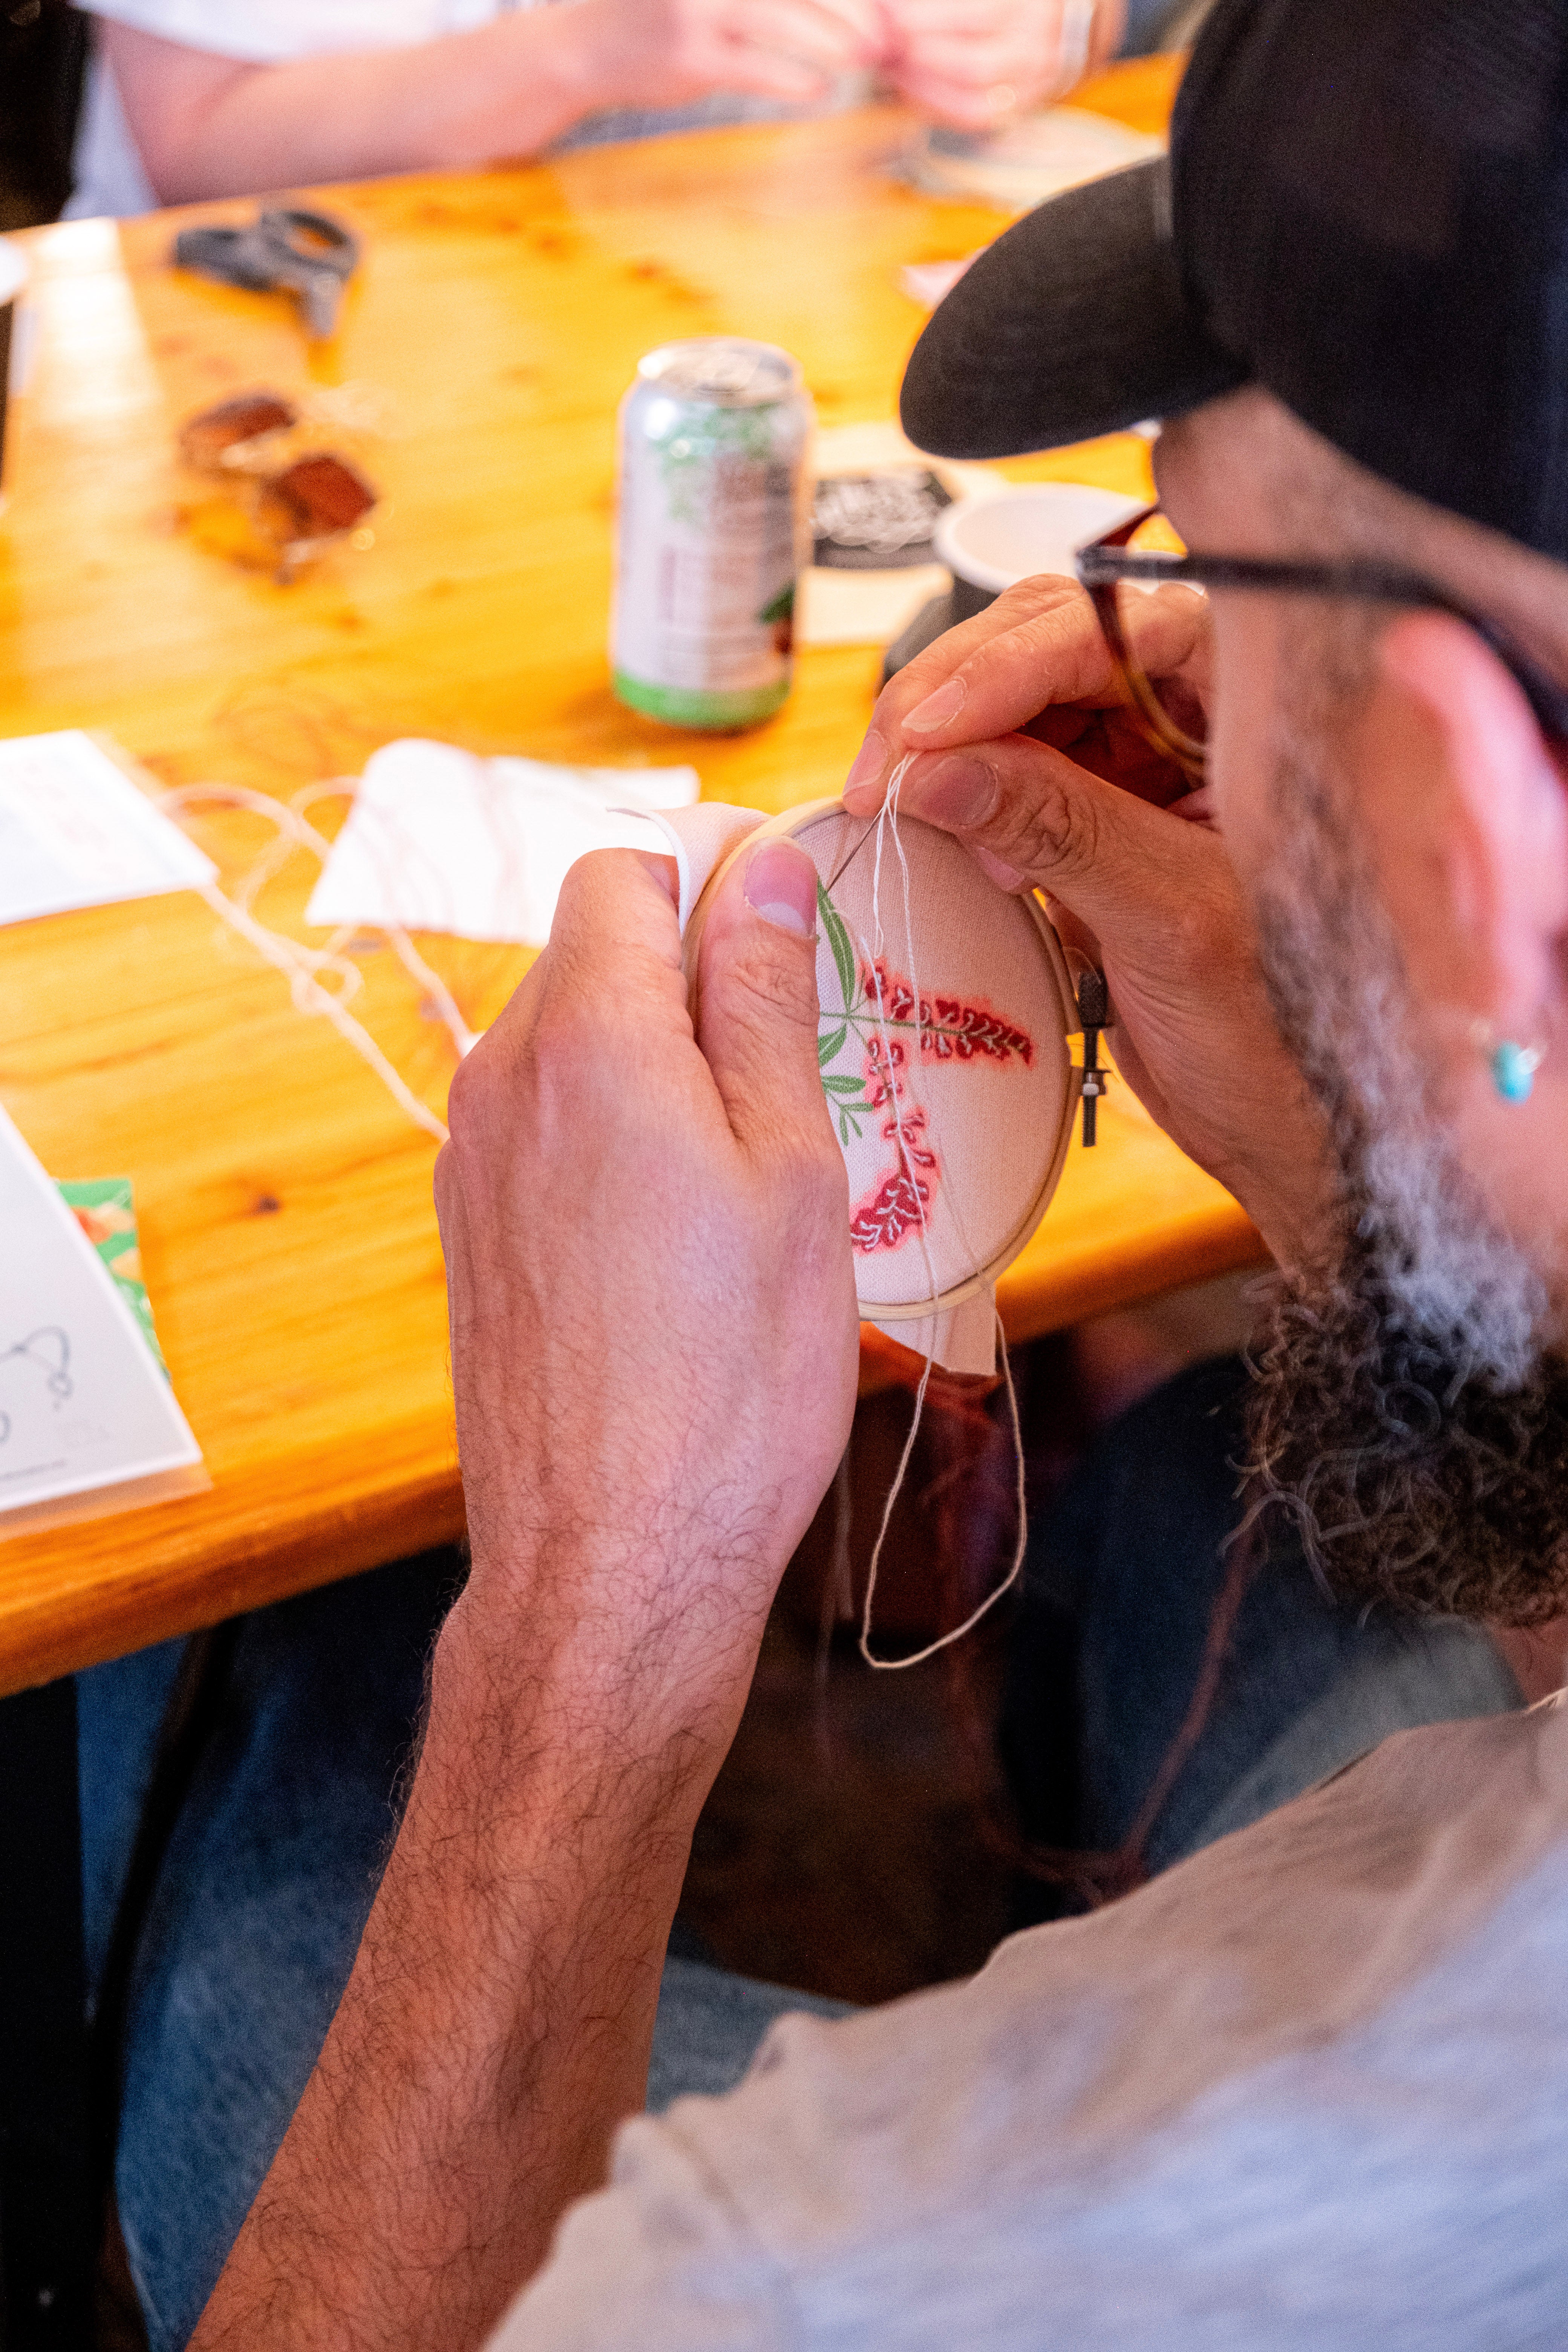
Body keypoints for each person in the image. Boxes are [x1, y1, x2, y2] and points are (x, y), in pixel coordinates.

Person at [96, 0, 1568, 2341]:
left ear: (1483, 838)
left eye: (1205, 571)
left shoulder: (842, 2269)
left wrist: (588, 1633)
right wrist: (1376, 1139)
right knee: (1203, 1476)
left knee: (268, 1872)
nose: (1158, 643)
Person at [66, 0, 1125, 219]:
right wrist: (576, 50)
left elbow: (1102, 28)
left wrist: (1053, 25)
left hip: (817, 302)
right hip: (342, 356)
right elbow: (203, 146)